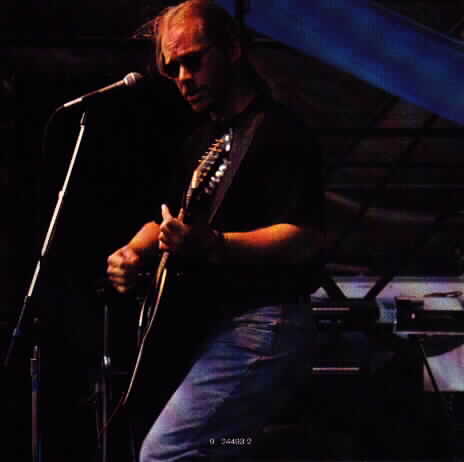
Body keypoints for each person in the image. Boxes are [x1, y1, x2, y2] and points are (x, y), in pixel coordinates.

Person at [107, 0, 328, 460]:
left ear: (231, 50)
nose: (183, 77)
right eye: (172, 68)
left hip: (265, 322)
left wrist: (216, 245)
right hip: (216, 325)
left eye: (193, 60)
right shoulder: (202, 140)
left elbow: (306, 235)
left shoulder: (279, 131)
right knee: (219, 446)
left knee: (164, 453)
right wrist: (131, 251)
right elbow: (165, 220)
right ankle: (268, 448)